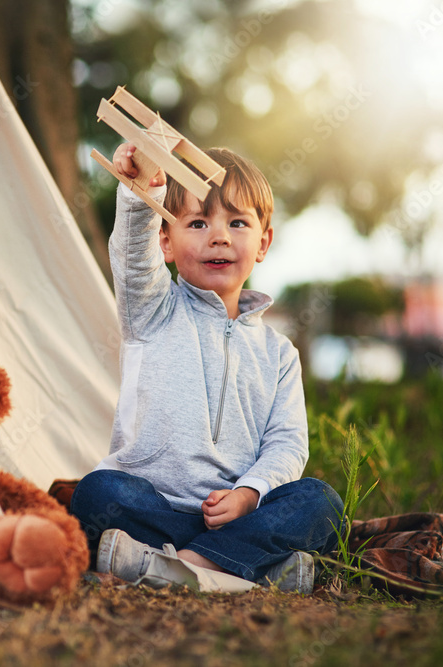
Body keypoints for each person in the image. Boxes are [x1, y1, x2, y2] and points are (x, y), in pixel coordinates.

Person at [69, 143, 344, 594]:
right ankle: (242, 571)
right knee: (97, 493)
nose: (218, 236)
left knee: (320, 502)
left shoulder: (279, 353)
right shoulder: (152, 309)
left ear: (264, 243)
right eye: (197, 223)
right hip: (154, 509)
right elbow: (133, 260)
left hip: (238, 515)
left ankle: (178, 566)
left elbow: (287, 443)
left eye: (237, 223)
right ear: (165, 241)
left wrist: (249, 493)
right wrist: (143, 190)